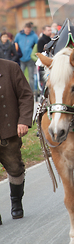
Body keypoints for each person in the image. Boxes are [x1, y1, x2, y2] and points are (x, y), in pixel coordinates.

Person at [0, 59, 34, 223]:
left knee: (15, 169)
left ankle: (16, 203)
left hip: (8, 131)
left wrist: (23, 120)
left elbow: (26, 95)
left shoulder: (11, 68)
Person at [14, 23, 38, 94]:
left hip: (30, 59)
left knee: (31, 76)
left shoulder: (34, 36)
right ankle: (20, 91)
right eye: (26, 30)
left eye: (29, 30)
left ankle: (32, 91)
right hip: (21, 58)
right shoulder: (18, 35)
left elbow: (37, 45)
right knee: (20, 76)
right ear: (24, 28)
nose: (28, 31)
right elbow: (15, 44)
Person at [36, 25, 52, 94]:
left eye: (50, 30)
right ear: (44, 31)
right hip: (44, 63)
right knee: (44, 81)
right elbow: (40, 52)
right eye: (48, 30)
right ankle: (43, 94)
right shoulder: (41, 40)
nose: (50, 32)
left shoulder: (50, 39)